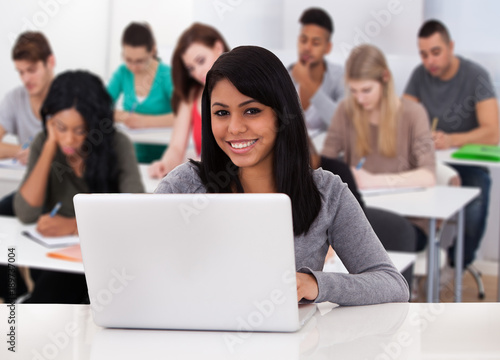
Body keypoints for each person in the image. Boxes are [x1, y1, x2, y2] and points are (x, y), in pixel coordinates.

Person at [155, 45, 409, 305]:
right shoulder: (184, 185)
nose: (234, 127)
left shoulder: (327, 193)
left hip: (292, 344)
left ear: (280, 114)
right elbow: (136, 266)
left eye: (251, 110)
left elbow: (392, 284)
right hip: (197, 339)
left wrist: (313, 284)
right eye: (221, 113)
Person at [12, 71, 145, 303]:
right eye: (60, 127)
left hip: (103, 258)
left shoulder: (117, 145)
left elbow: (138, 214)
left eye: (80, 130)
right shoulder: (45, 142)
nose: (69, 140)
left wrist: (74, 226)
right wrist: (50, 144)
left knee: (55, 293)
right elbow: (25, 212)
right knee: (52, 291)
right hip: (52, 256)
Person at [321, 44, 436, 251]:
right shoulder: (345, 111)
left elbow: (428, 175)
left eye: (366, 90)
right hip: (359, 214)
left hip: (407, 220)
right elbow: (324, 166)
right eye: (353, 91)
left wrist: (373, 181)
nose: (359, 98)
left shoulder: (413, 113)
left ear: (385, 78)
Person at [404, 19, 499, 268]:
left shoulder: (476, 75)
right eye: (423, 55)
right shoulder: (419, 75)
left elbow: (493, 132)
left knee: (476, 200)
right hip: (428, 162)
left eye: (436, 52)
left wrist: (452, 140)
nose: (430, 61)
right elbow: (402, 120)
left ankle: (458, 266)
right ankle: (416, 264)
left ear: (451, 47)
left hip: (466, 166)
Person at [148, 23, 229, 179]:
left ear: (218, 48)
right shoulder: (191, 95)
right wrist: (165, 164)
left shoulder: (244, 88)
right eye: (191, 68)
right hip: (209, 181)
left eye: (201, 61)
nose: (197, 72)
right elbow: (177, 148)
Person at [0, 31, 55, 216]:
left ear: (50, 62)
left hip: (64, 185)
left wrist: (39, 152)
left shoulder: (69, 96)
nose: (26, 79)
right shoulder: (15, 98)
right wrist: (22, 151)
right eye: (21, 72)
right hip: (31, 186)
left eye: (31, 70)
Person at [288, 8, 344, 142]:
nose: (307, 47)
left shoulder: (340, 76)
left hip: (327, 155)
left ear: (328, 47)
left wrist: (307, 83)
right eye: (303, 40)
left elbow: (344, 125)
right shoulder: (284, 75)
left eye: (316, 43)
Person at [108, 22, 174, 129]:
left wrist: (144, 121)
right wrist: (127, 117)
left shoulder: (167, 75)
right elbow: (99, 107)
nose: (133, 67)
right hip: (129, 144)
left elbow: (184, 115)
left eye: (140, 61)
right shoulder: (122, 72)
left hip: (164, 144)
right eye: (128, 60)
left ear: (152, 51)